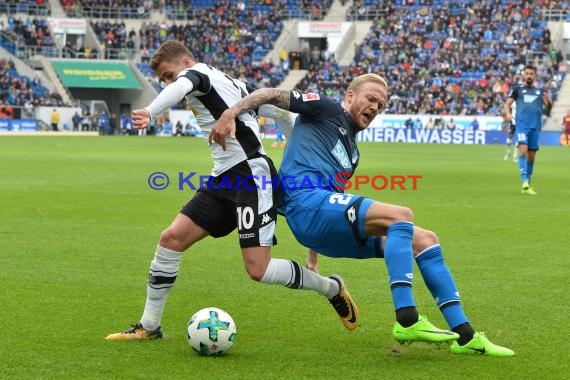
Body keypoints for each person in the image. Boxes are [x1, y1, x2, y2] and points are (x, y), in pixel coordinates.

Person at [211, 73, 514, 356]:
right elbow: (271, 94)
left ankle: (466, 337)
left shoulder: (352, 154)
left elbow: (334, 200)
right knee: (401, 216)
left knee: (424, 239)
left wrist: (313, 257)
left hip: (320, 222)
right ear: (350, 95)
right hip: (304, 205)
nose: (375, 107)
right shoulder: (326, 109)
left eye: (380, 105)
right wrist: (230, 113)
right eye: (370, 98)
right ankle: (407, 318)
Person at [105, 40, 357, 340]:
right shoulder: (235, 84)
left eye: (169, 75)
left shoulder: (196, 73)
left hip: (252, 174)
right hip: (223, 178)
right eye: (164, 80)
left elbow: (181, 86)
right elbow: (281, 115)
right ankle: (149, 326)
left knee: (258, 269)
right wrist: (292, 141)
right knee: (171, 239)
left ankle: (331, 288)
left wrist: (151, 110)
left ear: (186, 62)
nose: (169, 82)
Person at [505, 65, 552, 195]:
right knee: (523, 149)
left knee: (531, 157)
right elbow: (508, 103)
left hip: (535, 127)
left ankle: (528, 185)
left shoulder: (540, 92)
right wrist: (508, 114)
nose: (529, 75)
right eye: (527, 73)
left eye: (531, 73)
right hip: (522, 126)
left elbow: (549, 109)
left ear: (535, 76)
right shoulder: (517, 90)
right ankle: (524, 182)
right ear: (523, 75)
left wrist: (548, 102)